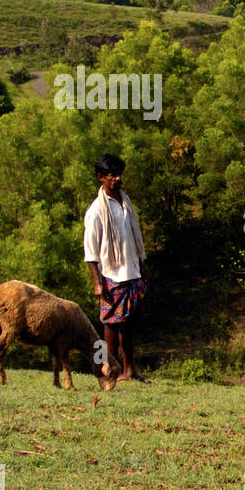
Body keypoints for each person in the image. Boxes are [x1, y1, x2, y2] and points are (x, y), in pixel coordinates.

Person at [83, 154, 148, 382]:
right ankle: (111, 370)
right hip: (111, 274)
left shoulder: (125, 201)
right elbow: (90, 252)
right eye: (112, 175)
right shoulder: (96, 211)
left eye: (120, 174)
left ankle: (130, 371)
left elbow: (132, 237)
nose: (118, 178)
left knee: (128, 324)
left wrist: (141, 267)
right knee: (110, 324)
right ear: (101, 178)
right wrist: (97, 282)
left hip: (131, 271)